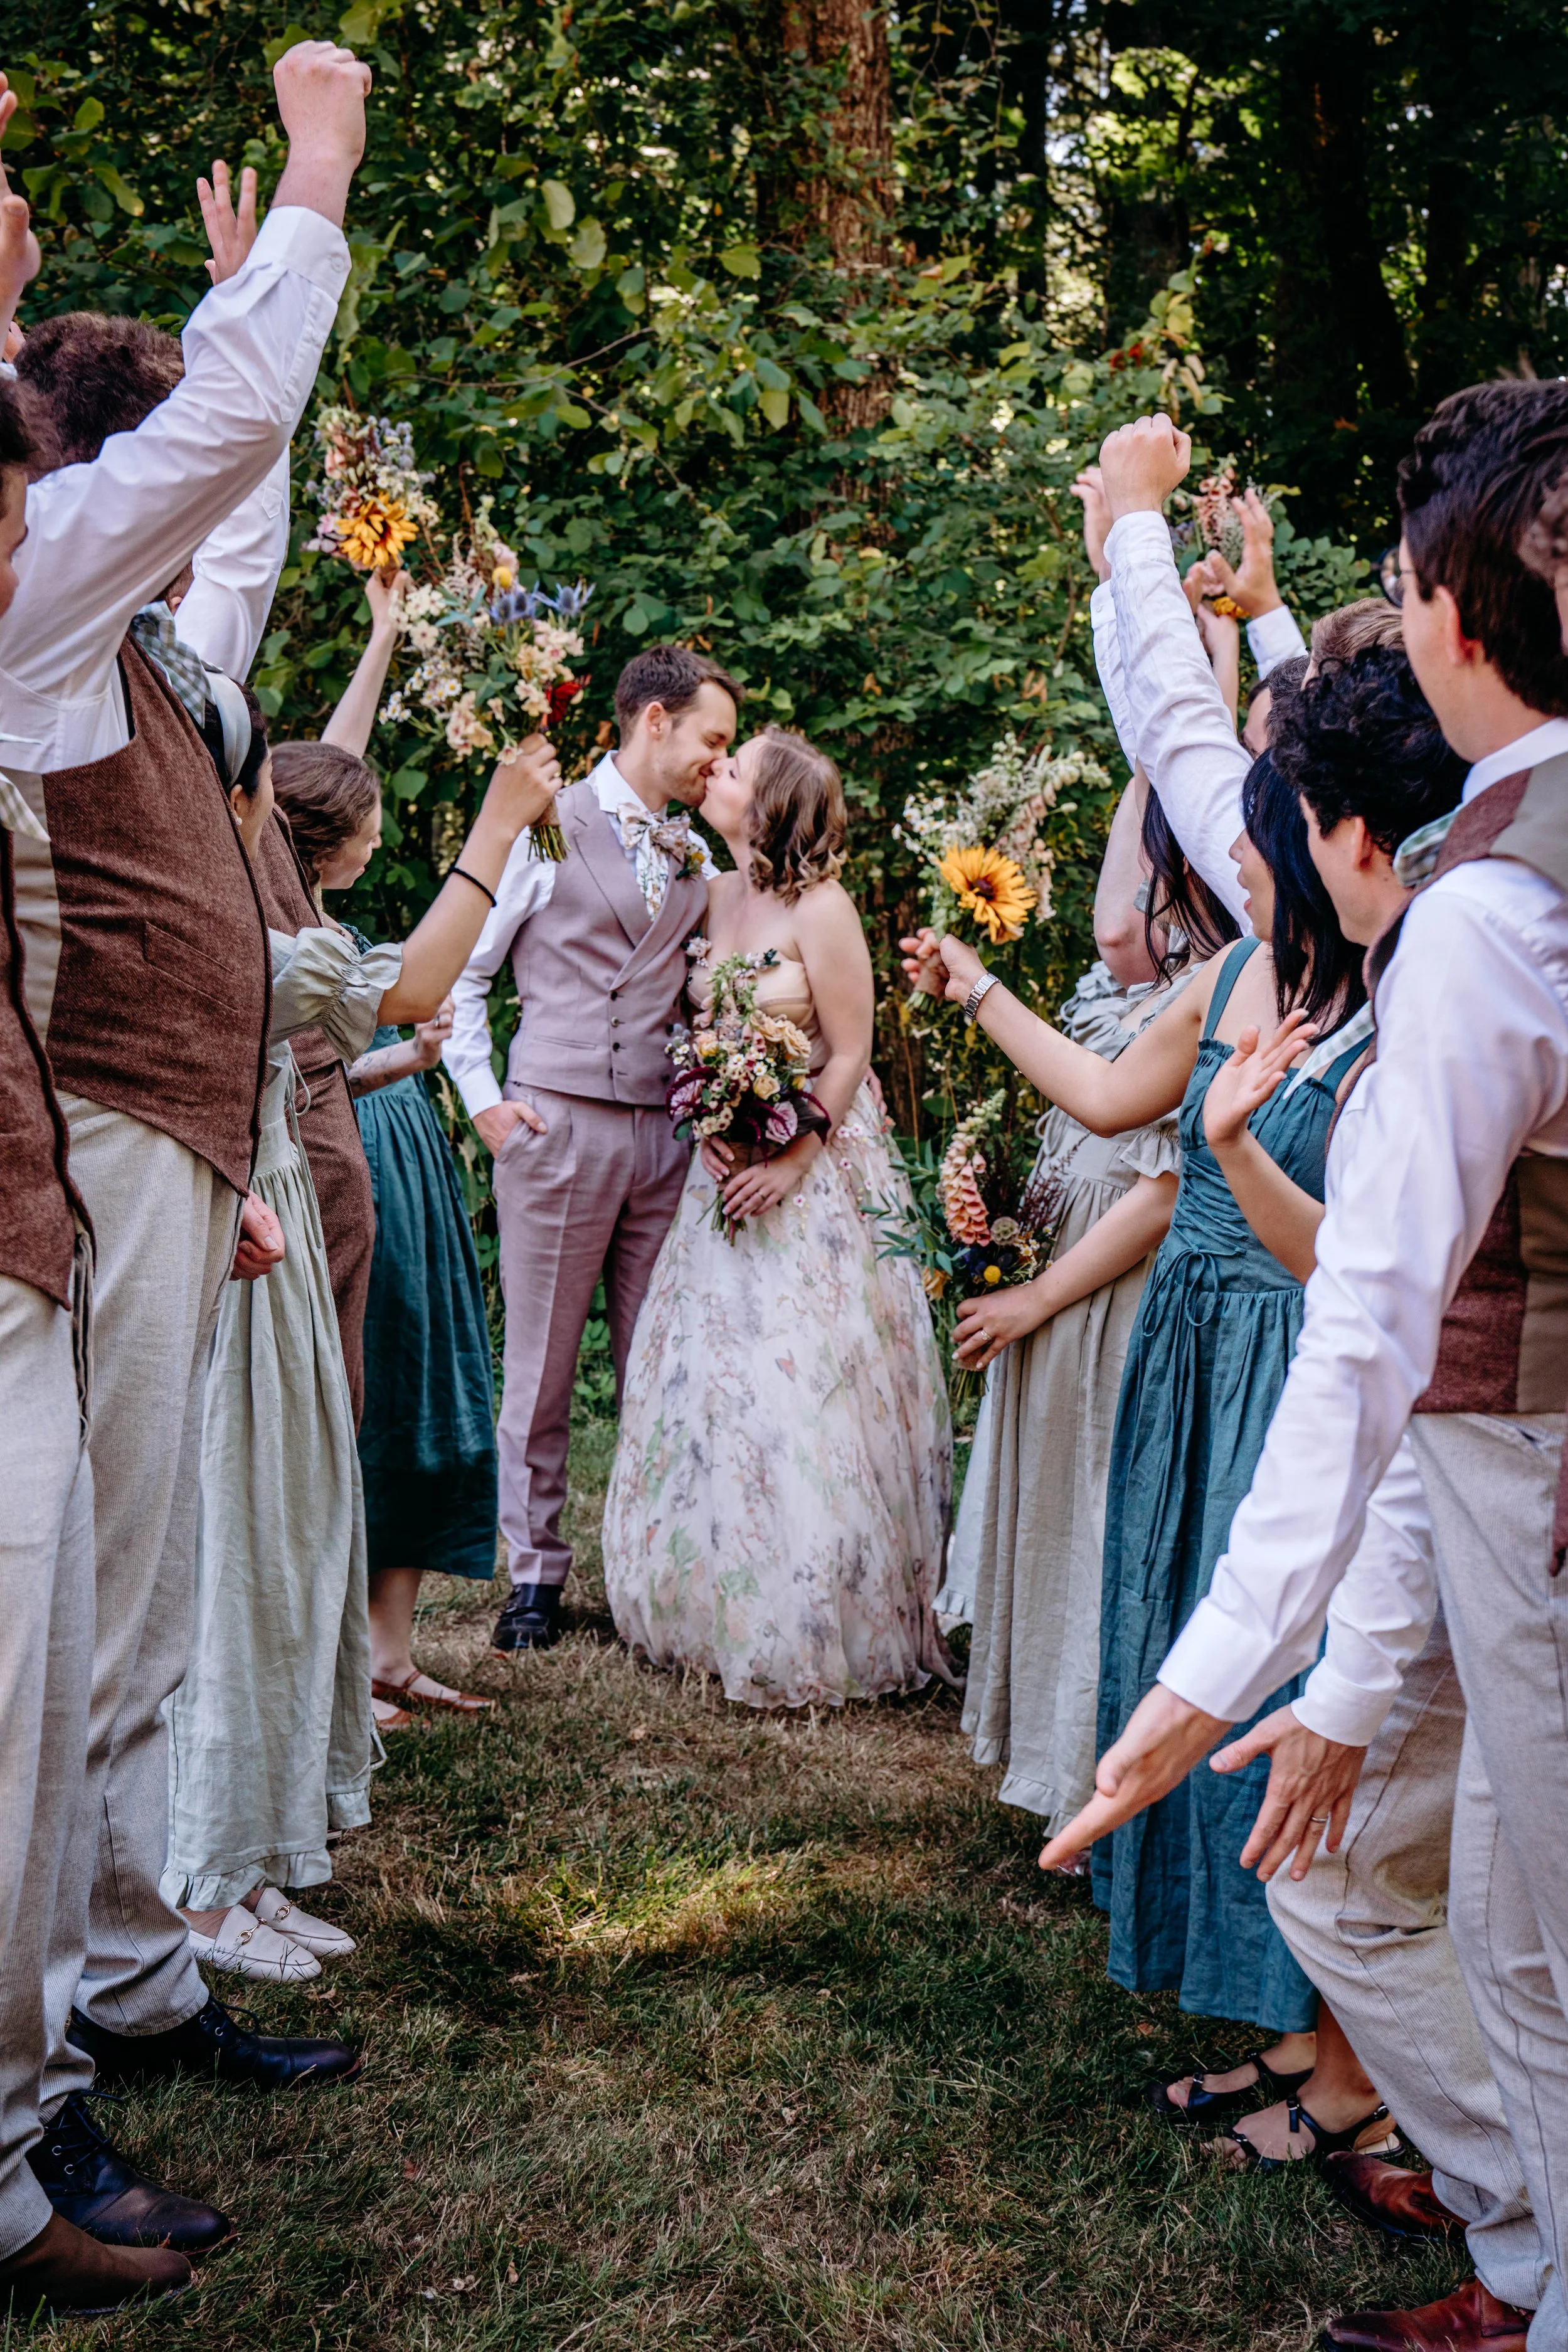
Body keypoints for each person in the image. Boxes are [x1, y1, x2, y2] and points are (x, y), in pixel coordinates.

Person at [1042, 389, 1568, 2352]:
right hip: (1477, 1479)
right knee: (1498, 1927)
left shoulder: (1486, 917)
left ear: (1446, 619)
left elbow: (1381, 1321)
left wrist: (1207, 1675)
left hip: (1525, 1492)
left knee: (1538, 1933)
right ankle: (1524, 2268)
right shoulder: (1486, 857)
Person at [0, 40, 374, 2273]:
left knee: (121, 1603)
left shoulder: (120, 637)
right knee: (71, 1615)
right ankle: (48, 2067)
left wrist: (262, 319)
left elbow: (230, 514)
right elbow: (216, 443)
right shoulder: (42, 631)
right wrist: (320, 179)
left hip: (165, 1153)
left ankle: (124, 1984)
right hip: (101, 1147)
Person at [161, 700, 558, 1978]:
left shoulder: (267, 902)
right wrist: (495, 827)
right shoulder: (213, 903)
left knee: (295, 1541)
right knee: (243, 1550)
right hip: (242, 1226)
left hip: (279, 1213)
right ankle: (198, 1890)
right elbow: (408, 988)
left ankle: (261, 1857)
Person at [602, 724, 952, 1707]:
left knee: (806, 1378)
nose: (718, 769)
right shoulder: (713, 896)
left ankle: (824, 1606)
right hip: (724, 1170)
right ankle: (707, 1595)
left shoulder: (824, 908)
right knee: (715, 1379)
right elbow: (692, 1031)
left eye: (736, 766)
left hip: (815, 1173)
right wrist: (711, 1123)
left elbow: (849, 1051)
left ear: (772, 803)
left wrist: (795, 1156)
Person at [445, 643, 740, 1654]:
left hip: (667, 1136)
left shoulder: (700, 854)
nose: (719, 759)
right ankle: (534, 1575)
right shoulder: (547, 826)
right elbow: (461, 975)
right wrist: (485, 1102)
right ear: (652, 721)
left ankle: (650, 1570)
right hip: (555, 1123)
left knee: (660, 1360)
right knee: (542, 1365)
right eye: (712, 738)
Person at [269, 576, 505, 1721]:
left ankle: (389, 1647)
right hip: (341, 1150)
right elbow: (313, 1056)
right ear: (327, 841)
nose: (382, 831)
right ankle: (337, 1660)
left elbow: (325, 768)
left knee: (418, 1384)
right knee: (361, 1397)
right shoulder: (289, 917)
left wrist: (384, 635)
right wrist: (393, 1061)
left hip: (402, 1148)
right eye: (367, 827)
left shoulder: (309, 871)